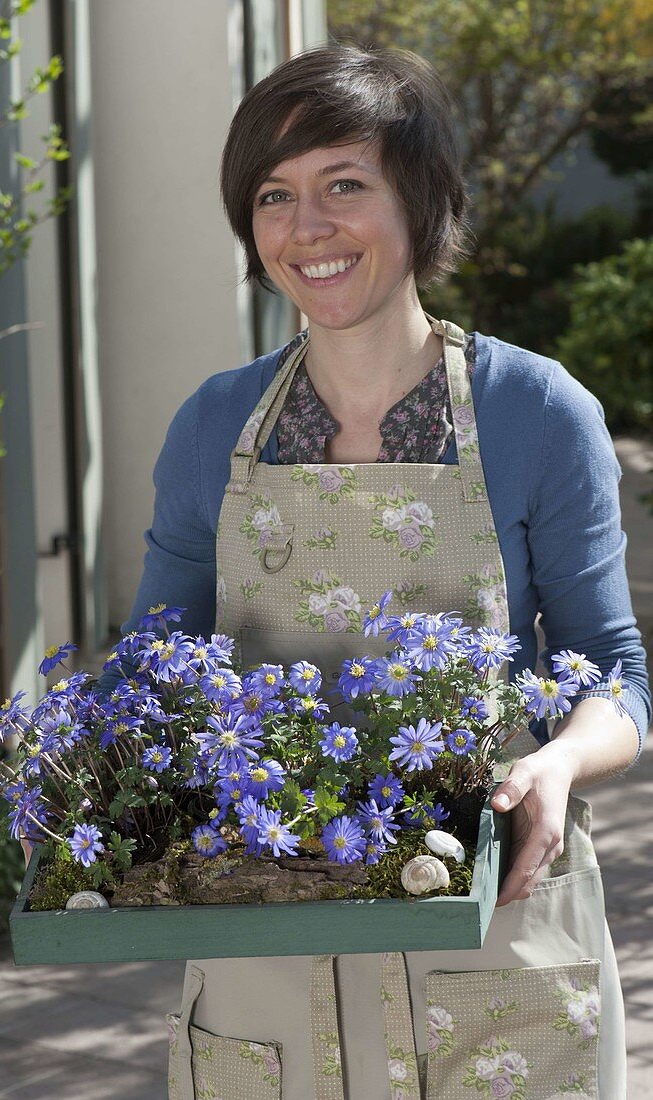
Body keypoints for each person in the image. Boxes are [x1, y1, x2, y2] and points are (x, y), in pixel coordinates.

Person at [101, 45, 650, 1099]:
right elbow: (154, 665)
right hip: (269, 949)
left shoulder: (536, 414)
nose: (307, 227)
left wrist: (559, 763)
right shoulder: (215, 424)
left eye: (344, 184)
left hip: (497, 932)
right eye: (274, 194)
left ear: (424, 201)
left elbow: (616, 676)